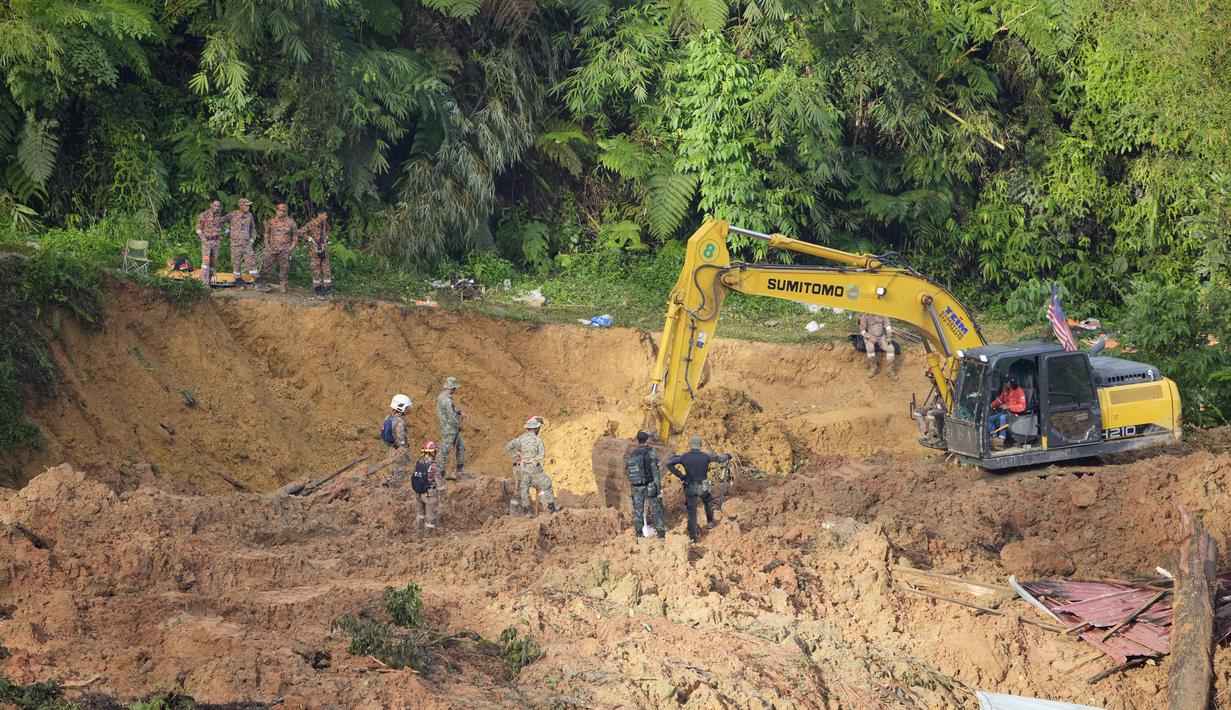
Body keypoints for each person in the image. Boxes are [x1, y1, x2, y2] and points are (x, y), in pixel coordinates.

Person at [665, 435, 731, 543]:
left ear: (690, 444)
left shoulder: (684, 457)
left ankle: (693, 538)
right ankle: (710, 521)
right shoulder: (706, 456)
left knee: (692, 513)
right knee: (708, 501)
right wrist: (728, 456)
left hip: (689, 486)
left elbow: (669, 463)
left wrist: (681, 476)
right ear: (700, 445)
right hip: (703, 486)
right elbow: (719, 459)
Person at [506, 416, 557, 517]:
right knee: (521, 489)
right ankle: (515, 513)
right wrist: (525, 458)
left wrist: (519, 455)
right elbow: (540, 455)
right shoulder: (532, 440)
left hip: (521, 468)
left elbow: (509, 447)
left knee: (527, 488)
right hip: (520, 468)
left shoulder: (521, 439)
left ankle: (538, 509)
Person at [626, 431, 665, 539]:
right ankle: (661, 535)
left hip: (636, 487)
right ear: (647, 440)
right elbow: (655, 473)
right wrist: (658, 489)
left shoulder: (632, 454)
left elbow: (627, 472)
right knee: (656, 509)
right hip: (650, 486)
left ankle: (639, 535)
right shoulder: (650, 454)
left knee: (638, 511)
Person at [258, 203, 298, 294]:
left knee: (284, 267)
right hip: (272, 248)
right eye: (280, 210)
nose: (282, 212)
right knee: (267, 265)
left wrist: (291, 247)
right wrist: (267, 246)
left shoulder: (291, 222)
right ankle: (261, 281)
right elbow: (266, 234)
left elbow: (295, 236)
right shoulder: (271, 221)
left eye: (284, 211)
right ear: (276, 211)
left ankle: (283, 285)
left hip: (285, 249)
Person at [222, 198, 258, 288]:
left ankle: (257, 281)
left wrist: (252, 240)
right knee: (236, 263)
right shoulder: (232, 214)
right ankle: (238, 281)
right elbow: (220, 221)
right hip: (235, 244)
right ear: (241, 206)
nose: (248, 207)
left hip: (246, 244)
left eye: (249, 205)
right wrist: (226, 231)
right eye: (246, 205)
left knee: (251, 261)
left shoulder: (249, 215)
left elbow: (253, 228)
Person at [435, 376, 466, 479]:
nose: (455, 390)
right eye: (455, 388)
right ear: (452, 388)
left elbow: (451, 412)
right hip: (449, 429)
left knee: (461, 446)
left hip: (450, 428)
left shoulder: (442, 397)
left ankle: (460, 469)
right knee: (445, 450)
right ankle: (439, 471)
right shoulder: (447, 400)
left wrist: (459, 412)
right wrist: (459, 426)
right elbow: (451, 416)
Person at [411, 441, 445, 533]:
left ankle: (418, 532)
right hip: (429, 496)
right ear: (433, 452)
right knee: (431, 517)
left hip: (418, 494)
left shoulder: (418, 463)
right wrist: (443, 497)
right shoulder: (434, 466)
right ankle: (428, 536)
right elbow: (440, 485)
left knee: (421, 514)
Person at [301, 209, 332, 300]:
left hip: (324, 251)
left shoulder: (325, 225)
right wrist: (309, 238)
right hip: (314, 252)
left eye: (326, 215)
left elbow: (327, 233)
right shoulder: (311, 224)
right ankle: (318, 290)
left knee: (327, 271)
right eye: (324, 215)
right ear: (319, 215)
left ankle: (327, 290)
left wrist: (325, 240)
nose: (326, 217)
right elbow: (301, 232)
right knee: (316, 272)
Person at [987, 377, 1026, 448]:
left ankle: (1002, 439)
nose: (1005, 384)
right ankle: (993, 436)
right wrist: (990, 405)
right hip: (1005, 412)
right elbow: (1000, 400)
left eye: (1007, 382)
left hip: (1014, 414)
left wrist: (1009, 406)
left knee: (1002, 418)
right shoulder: (1006, 390)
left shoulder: (1019, 391)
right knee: (990, 419)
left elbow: (1022, 406)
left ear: (1012, 383)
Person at [382, 394, 412, 486]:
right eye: (406, 408)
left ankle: (388, 484)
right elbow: (400, 438)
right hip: (399, 450)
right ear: (401, 407)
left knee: (393, 469)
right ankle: (395, 489)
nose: (407, 410)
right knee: (400, 472)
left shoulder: (388, 417)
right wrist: (403, 448)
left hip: (392, 448)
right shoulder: (399, 421)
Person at [194, 199, 224, 287]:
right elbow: (198, 228)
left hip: (216, 242)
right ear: (211, 205)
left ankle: (209, 282)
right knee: (206, 263)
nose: (217, 208)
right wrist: (203, 239)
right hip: (207, 241)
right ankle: (204, 284)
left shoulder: (219, 215)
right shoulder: (204, 214)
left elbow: (221, 226)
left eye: (218, 206)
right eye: (215, 205)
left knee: (213, 263)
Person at [859, 313, 897, 380]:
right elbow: (862, 330)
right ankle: (873, 367)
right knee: (870, 348)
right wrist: (869, 337)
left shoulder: (882, 313)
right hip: (870, 337)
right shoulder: (865, 315)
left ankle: (890, 370)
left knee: (891, 349)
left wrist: (889, 336)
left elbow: (888, 327)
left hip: (882, 337)